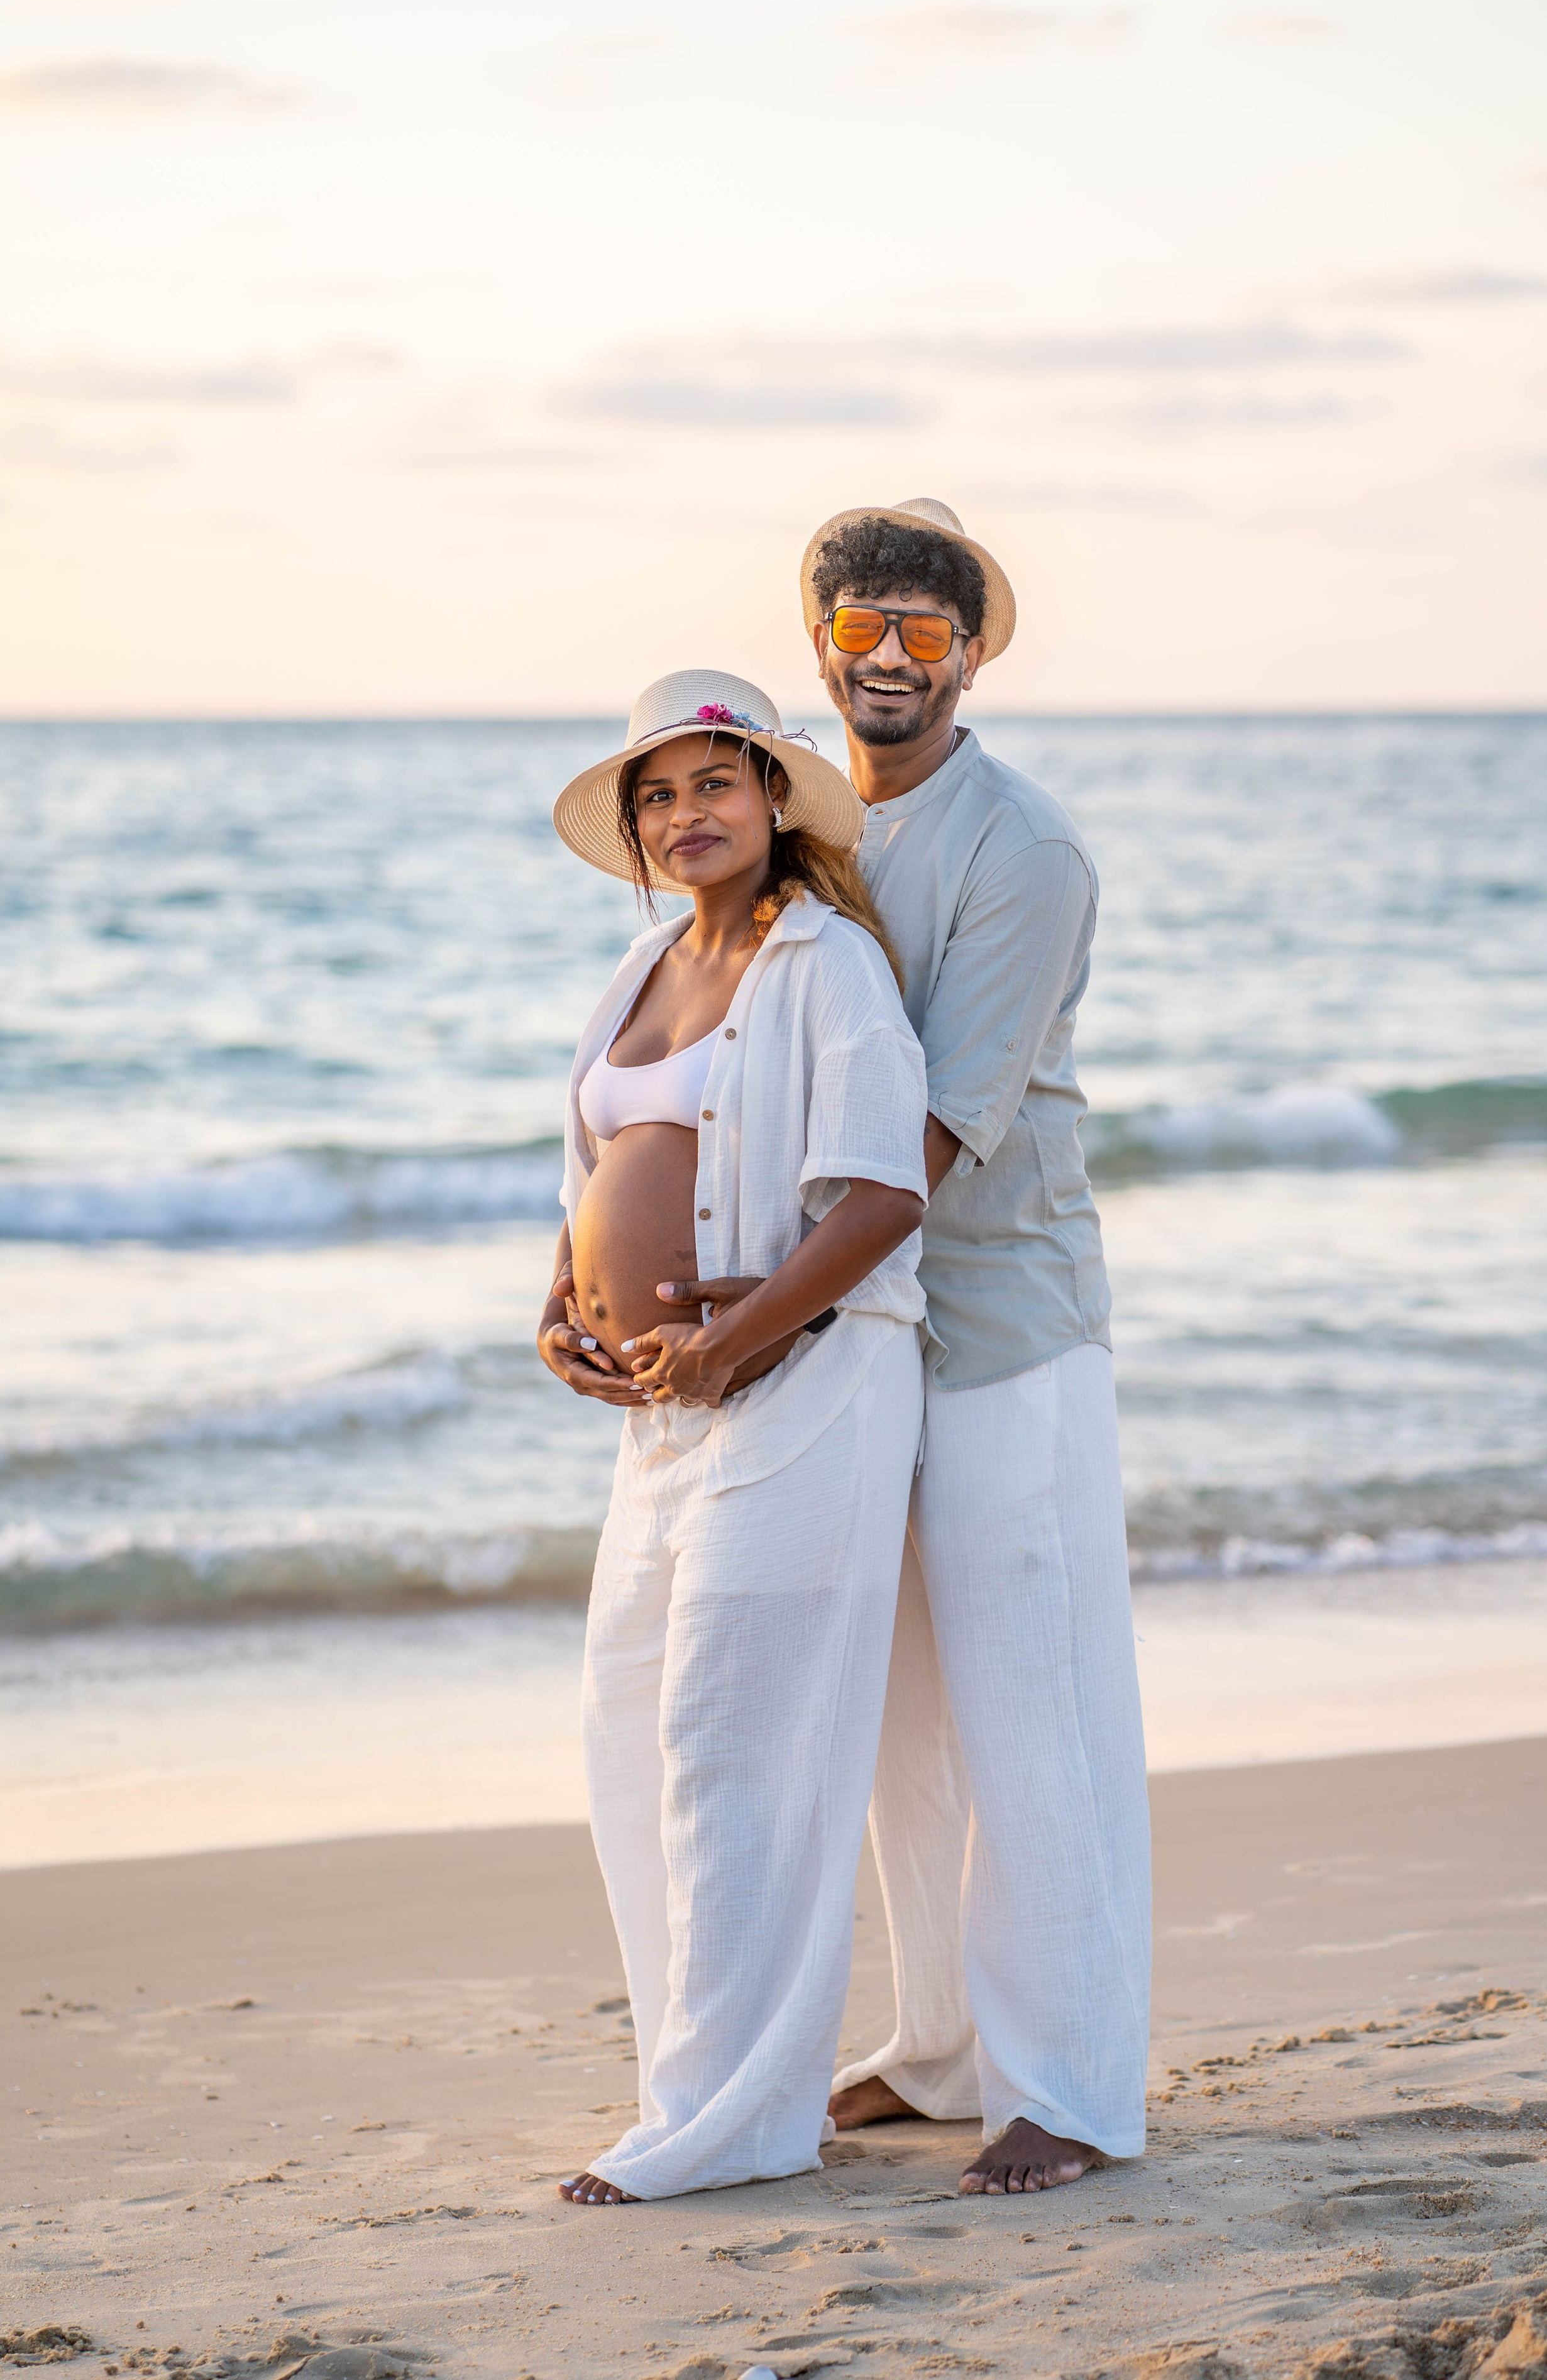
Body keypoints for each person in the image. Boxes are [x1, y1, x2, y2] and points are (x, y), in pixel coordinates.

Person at [539, 667, 931, 2203]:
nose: (683, 813)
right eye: (656, 795)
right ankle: (685, 2086)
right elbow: (595, 1167)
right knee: (627, 1732)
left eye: (713, 782)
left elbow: (885, 1191)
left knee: (731, 1743)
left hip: (804, 1394)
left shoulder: (829, 961)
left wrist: (733, 1336)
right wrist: (560, 1301)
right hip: (663, 1414)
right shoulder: (640, 964)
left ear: (772, 797)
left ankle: (739, 2120)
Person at [800, 498, 1152, 2195]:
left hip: (1005, 1322)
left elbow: (935, 1132)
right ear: (820, 646)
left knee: (1035, 1705)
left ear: (970, 654)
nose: (888, 658)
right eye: (859, 626)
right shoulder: (807, 820)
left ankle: (1069, 2086)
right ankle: (939, 2043)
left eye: (922, 632)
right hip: (863, 1323)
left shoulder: (1024, 849)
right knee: (900, 1721)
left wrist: (748, 1307)